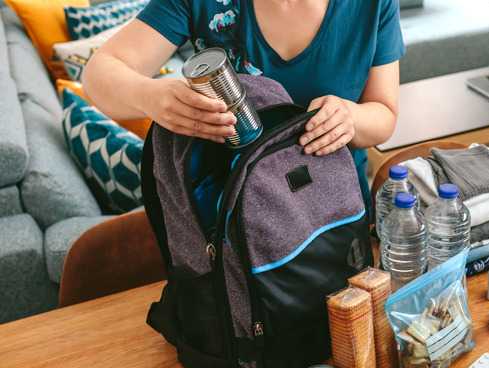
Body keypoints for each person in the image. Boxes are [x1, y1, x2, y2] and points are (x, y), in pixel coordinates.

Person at [82, 0, 405, 212]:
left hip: (337, 212)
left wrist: (352, 118)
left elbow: (383, 114)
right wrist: (151, 97)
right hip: (231, 221)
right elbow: (99, 75)